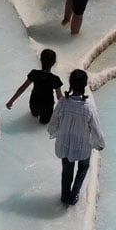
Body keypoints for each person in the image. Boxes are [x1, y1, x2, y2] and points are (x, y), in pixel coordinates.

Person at [47, 69, 105, 206]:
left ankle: (64, 197)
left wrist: (55, 134)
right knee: (83, 168)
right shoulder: (89, 107)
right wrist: (100, 144)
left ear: (70, 83)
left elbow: (53, 124)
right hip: (82, 147)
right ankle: (74, 196)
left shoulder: (62, 103)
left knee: (67, 172)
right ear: (84, 85)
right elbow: (96, 130)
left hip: (65, 145)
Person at [6, 48, 62, 125]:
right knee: (44, 122)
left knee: (34, 114)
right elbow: (59, 97)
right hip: (47, 106)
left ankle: (35, 113)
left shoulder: (34, 73)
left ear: (40, 60)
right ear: (54, 63)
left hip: (34, 103)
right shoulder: (55, 79)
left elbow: (22, 88)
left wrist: (11, 101)